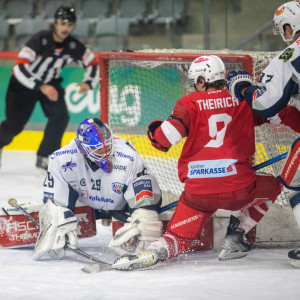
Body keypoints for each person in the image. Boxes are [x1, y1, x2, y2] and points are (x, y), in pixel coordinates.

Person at [110, 55, 283, 271]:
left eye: (195, 82)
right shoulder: (242, 100)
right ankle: (236, 235)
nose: (194, 87)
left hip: (198, 194)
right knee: (276, 185)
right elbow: (273, 112)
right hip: (239, 190)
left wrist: (154, 128)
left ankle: (155, 252)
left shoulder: (188, 103)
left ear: (202, 80)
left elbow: (165, 138)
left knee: (178, 238)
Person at [225, 1, 300, 267]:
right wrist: (287, 115)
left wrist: (242, 86)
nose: (285, 34)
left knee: (295, 185)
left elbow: (265, 102)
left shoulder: (291, 55)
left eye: (286, 28)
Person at [32, 117, 163, 261]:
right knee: (55, 216)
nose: (106, 152)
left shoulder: (128, 156)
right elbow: (55, 202)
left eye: (107, 145)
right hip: (84, 204)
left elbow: (146, 191)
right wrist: (55, 221)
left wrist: (146, 219)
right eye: (99, 149)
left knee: (148, 224)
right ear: (83, 148)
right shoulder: (61, 159)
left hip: (122, 205)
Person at [0, 6, 99, 172]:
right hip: (22, 85)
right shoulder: (40, 39)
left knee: (60, 116)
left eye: (69, 24)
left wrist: (88, 83)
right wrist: (40, 86)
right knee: (14, 126)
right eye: (62, 23)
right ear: (55, 23)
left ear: (73, 26)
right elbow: (20, 67)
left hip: (50, 84)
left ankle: (46, 156)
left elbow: (92, 63)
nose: (65, 28)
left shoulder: (73, 45)